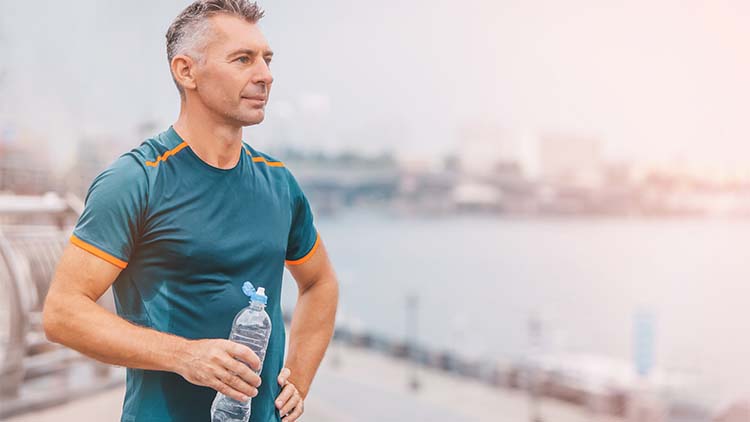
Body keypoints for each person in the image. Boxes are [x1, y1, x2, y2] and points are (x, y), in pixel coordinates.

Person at [42, 1, 339, 421]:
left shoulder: (278, 183)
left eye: (267, 60)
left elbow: (320, 282)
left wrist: (299, 380)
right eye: (243, 59)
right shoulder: (136, 180)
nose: (265, 75)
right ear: (186, 71)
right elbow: (63, 312)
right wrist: (185, 356)